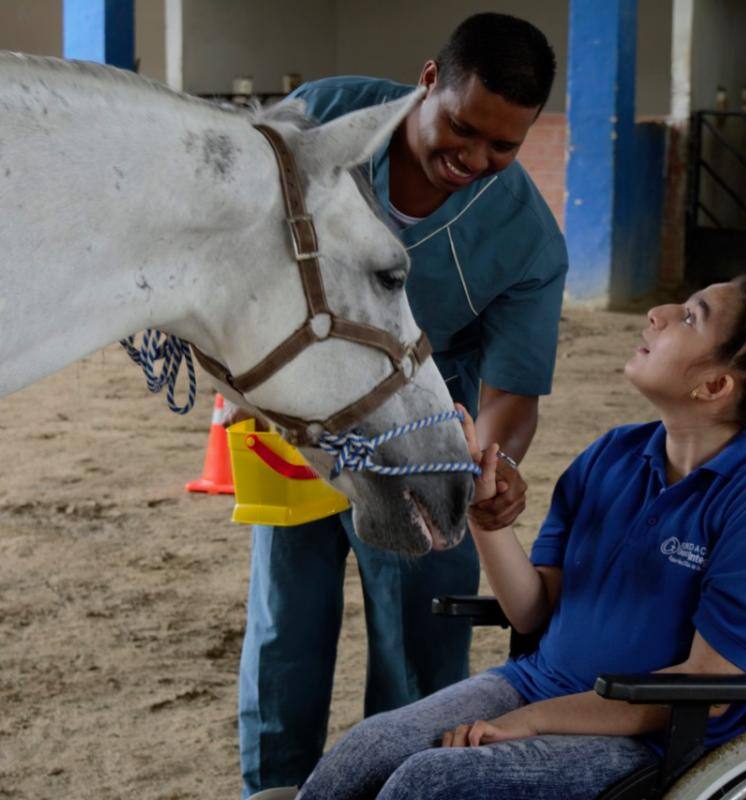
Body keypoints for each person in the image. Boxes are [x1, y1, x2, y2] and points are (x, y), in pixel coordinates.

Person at [294, 277, 746, 800]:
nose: (658, 314)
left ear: (714, 387)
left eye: (690, 317)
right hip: (536, 680)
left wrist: (532, 724)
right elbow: (533, 613)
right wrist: (487, 518)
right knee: (365, 750)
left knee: (432, 783)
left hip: (660, 740)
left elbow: (706, 691)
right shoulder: (613, 454)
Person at [237, 13, 568, 796]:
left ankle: (391, 790)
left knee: (419, 648)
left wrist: (487, 463)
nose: (474, 158)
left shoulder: (526, 242)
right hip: (298, 421)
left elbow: (511, 394)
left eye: (503, 147)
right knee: (286, 628)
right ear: (428, 81)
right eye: (461, 127)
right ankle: (275, 790)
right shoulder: (325, 120)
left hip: (425, 440)